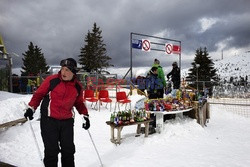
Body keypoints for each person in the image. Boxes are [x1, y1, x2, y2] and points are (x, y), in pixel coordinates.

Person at [24, 58, 90, 167]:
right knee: (51, 152)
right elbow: (38, 95)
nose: (63, 72)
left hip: (67, 121)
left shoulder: (77, 87)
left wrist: (85, 115)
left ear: (73, 72)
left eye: (67, 70)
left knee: (68, 151)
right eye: (62, 69)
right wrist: (31, 108)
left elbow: (79, 103)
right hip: (49, 120)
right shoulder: (52, 80)